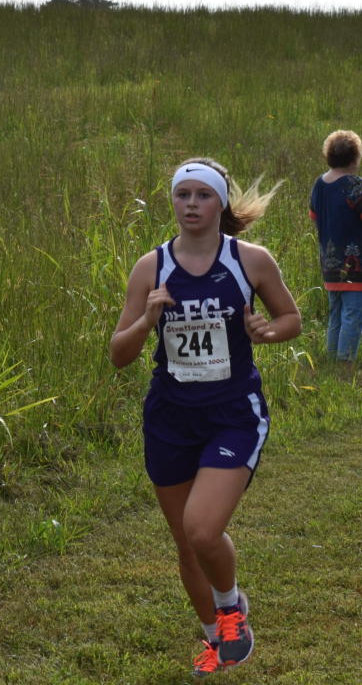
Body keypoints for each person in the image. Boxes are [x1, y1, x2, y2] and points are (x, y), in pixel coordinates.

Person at [110, 158, 302, 676]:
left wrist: (269, 331)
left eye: (203, 196)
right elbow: (118, 353)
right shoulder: (151, 267)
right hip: (170, 417)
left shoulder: (250, 260)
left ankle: (231, 606)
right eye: (182, 195)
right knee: (186, 545)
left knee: (201, 530)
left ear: (220, 204)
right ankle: (217, 638)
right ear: (172, 202)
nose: (191, 205)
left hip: (232, 414)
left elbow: (292, 319)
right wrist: (148, 318)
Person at [309, 130, 362, 368]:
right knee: (354, 316)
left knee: (336, 316)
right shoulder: (355, 184)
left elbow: (313, 215)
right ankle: (345, 364)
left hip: (331, 264)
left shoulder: (320, 184)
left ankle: (332, 359)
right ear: (355, 158)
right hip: (358, 266)